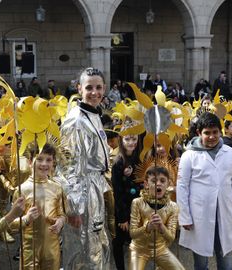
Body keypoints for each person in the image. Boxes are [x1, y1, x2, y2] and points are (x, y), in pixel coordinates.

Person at [177, 112, 232, 270]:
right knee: (201, 263)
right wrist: (185, 216)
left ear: (220, 132)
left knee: (226, 259)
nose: (211, 137)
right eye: (207, 133)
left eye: (215, 132)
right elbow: (182, 187)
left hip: (225, 213)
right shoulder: (189, 155)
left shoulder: (231, 154)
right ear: (198, 133)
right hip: (199, 216)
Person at [60, 67, 111, 269]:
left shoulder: (93, 114)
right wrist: (73, 208)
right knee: (85, 248)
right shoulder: (76, 120)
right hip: (84, 192)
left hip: (95, 187)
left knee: (97, 243)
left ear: (104, 88)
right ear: (79, 88)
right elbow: (68, 167)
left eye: (98, 87)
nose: (94, 92)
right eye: (89, 87)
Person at [10, 142, 65, 269]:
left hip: (52, 250)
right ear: (30, 161)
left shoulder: (57, 188)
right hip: (30, 251)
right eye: (39, 159)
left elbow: (62, 214)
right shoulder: (21, 190)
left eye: (48, 160)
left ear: (53, 163)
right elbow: (11, 224)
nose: (44, 164)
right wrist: (26, 218)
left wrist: (61, 222)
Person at [129, 165, 185, 270]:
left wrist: (161, 227)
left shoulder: (173, 207)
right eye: (154, 181)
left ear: (168, 184)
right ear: (146, 184)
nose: (158, 183)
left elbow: (171, 238)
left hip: (159, 249)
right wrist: (147, 227)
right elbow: (132, 234)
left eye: (163, 181)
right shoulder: (137, 202)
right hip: (139, 249)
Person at [111, 132, 141, 270]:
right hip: (123, 208)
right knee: (119, 241)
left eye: (133, 138)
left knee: (136, 240)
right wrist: (122, 218)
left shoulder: (138, 158)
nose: (131, 142)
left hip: (138, 208)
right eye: (127, 139)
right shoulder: (118, 162)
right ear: (121, 140)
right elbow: (117, 192)